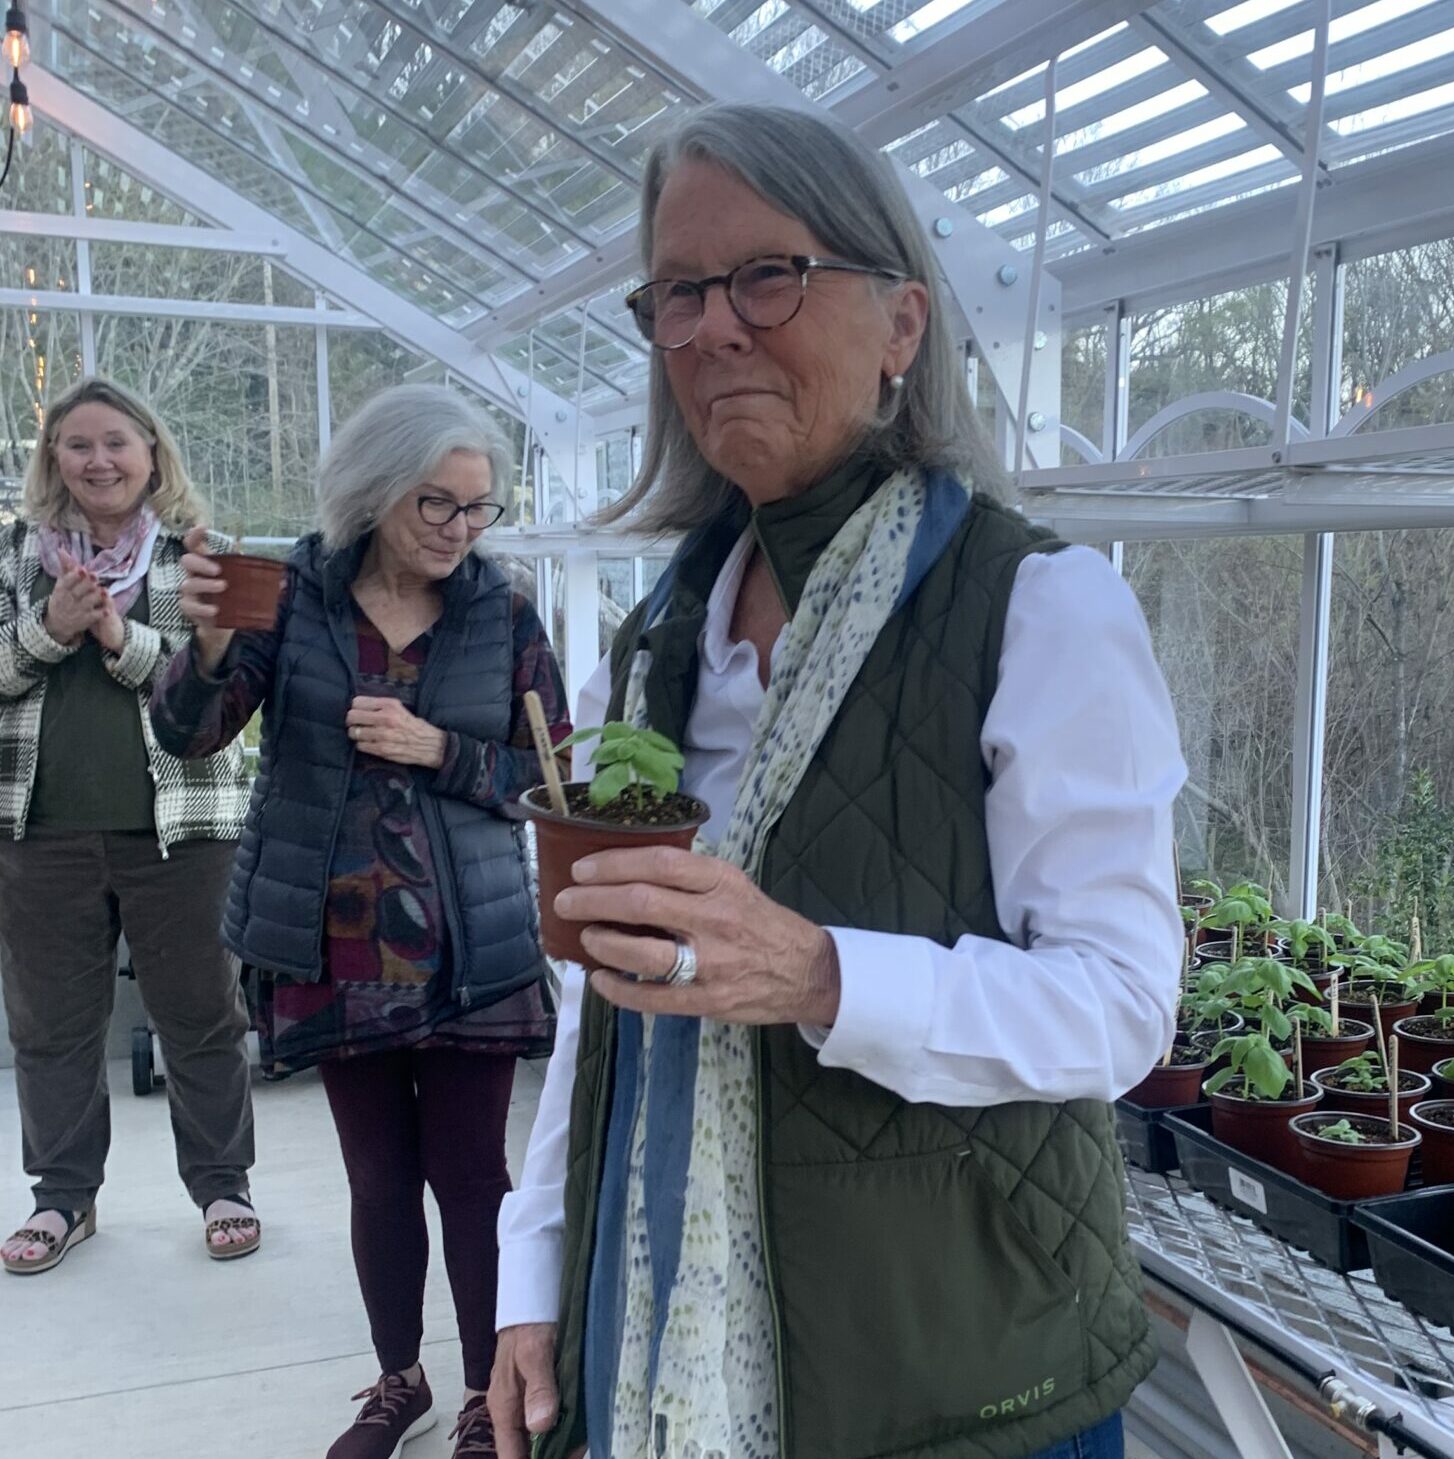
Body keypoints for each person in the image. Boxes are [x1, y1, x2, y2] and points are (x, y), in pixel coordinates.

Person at [488, 104, 1186, 1459]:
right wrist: (537, 1270)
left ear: (902, 324)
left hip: (960, 1376)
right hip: (652, 1338)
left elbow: (1118, 1005)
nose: (713, 329)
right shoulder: (658, 642)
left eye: (769, 275)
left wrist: (817, 974)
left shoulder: (1038, 607)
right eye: (679, 292)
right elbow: (602, 997)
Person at [150, 384, 568, 1459]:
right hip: (333, 944)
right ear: (375, 490)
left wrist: (440, 750)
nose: (462, 528)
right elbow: (192, 734)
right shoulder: (290, 597)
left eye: (479, 507)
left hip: (470, 946)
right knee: (379, 1176)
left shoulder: (503, 612)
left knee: (472, 1178)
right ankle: (399, 1381)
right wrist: (205, 646)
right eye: (439, 503)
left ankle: (484, 1393)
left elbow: (552, 774)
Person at [0, 377, 257, 1277]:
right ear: (53, 458)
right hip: (37, 833)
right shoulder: (12, 555)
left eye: (116, 442)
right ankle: (62, 1197)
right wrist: (47, 627)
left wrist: (119, 638)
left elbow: (229, 693)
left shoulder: (204, 557)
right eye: (77, 444)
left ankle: (223, 1186)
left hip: (186, 832)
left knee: (202, 1014)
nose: (98, 460)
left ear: (152, 453)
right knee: (51, 1025)